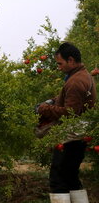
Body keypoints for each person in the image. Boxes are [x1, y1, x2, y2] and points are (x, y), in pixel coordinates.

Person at [37, 42, 96, 203]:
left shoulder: (76, 81)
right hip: (79, 134)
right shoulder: (82, 75)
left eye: (60, 63)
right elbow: (70, 101)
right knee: (71, 177)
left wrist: (44, 109)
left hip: (70, 136)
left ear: (71, 60)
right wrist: (53, 101)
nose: (59, 67)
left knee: (58, 179)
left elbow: (69, 112)